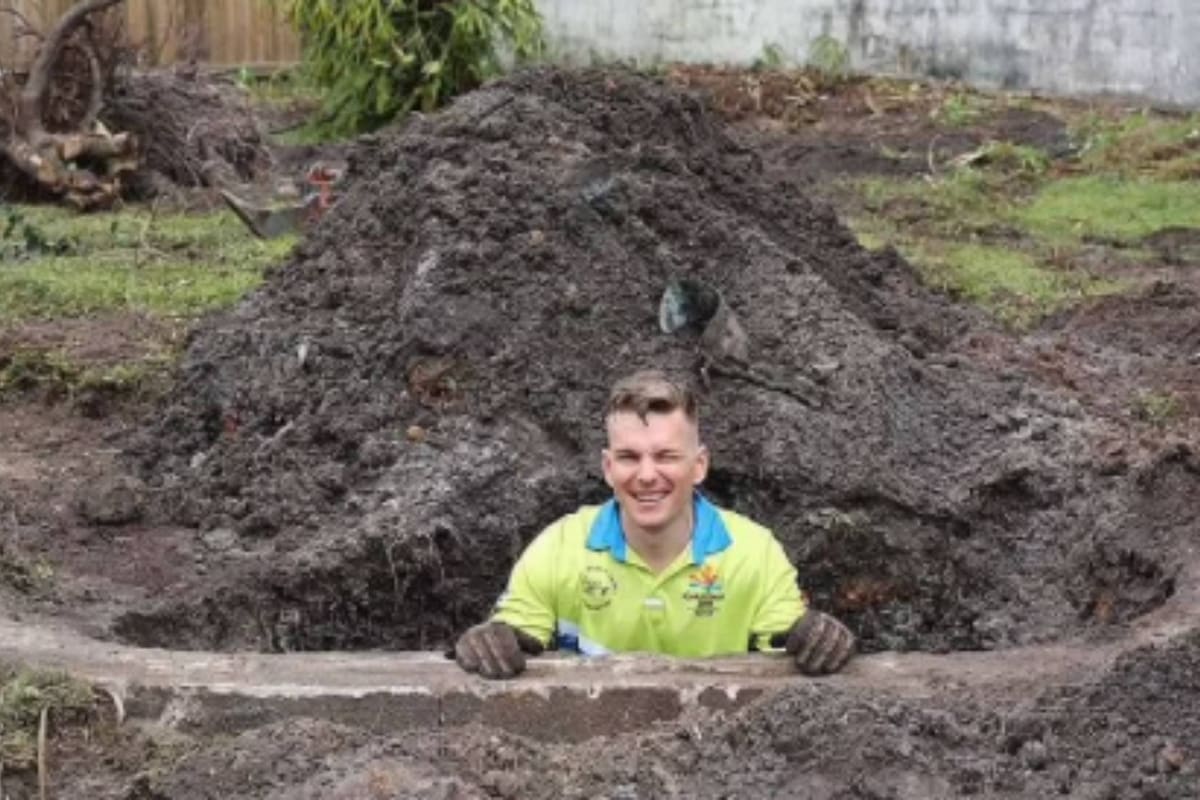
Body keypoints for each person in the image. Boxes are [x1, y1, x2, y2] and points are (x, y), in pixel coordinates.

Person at [454, 369, 856, 679]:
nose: (647, 475)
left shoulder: (754, 552)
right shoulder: (559, 547)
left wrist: (817, 637)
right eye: (629, 457)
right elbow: (518, 629)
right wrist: (493, 637)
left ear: (699, 466)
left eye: (665, 456)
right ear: (608, 468)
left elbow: (787, 636)